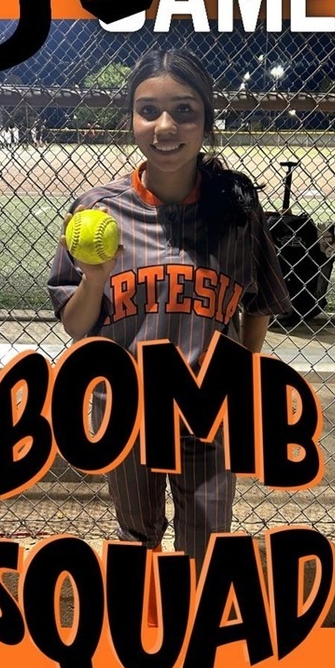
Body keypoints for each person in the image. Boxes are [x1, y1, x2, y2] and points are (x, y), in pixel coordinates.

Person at [48, 48, 292, 597]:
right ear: (130, 117)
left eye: (184, 110)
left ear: (206, 118)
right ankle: (149, 632)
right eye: (148, 110)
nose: (165, 126)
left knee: (208, 540)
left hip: (211, 409)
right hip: (128, 409)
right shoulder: (97, 209)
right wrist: (95, 277)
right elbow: (76, 325)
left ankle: (194, 637)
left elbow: (258, 303)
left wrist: (245, 374)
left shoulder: (236, 203)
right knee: (138, 535)